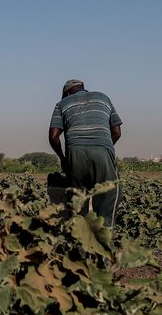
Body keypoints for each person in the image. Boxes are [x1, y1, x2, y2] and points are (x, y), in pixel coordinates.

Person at [48, 79, 122, 227]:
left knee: (78, 198)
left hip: (75, 153)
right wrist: (104, 147)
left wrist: (63, 159)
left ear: (67, 92)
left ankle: (78, 236)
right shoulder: (103, 98)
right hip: (102, 151)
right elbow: (117, 132)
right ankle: (104, 234)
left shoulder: (62, 104)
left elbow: (53, 136)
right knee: (109, 194)